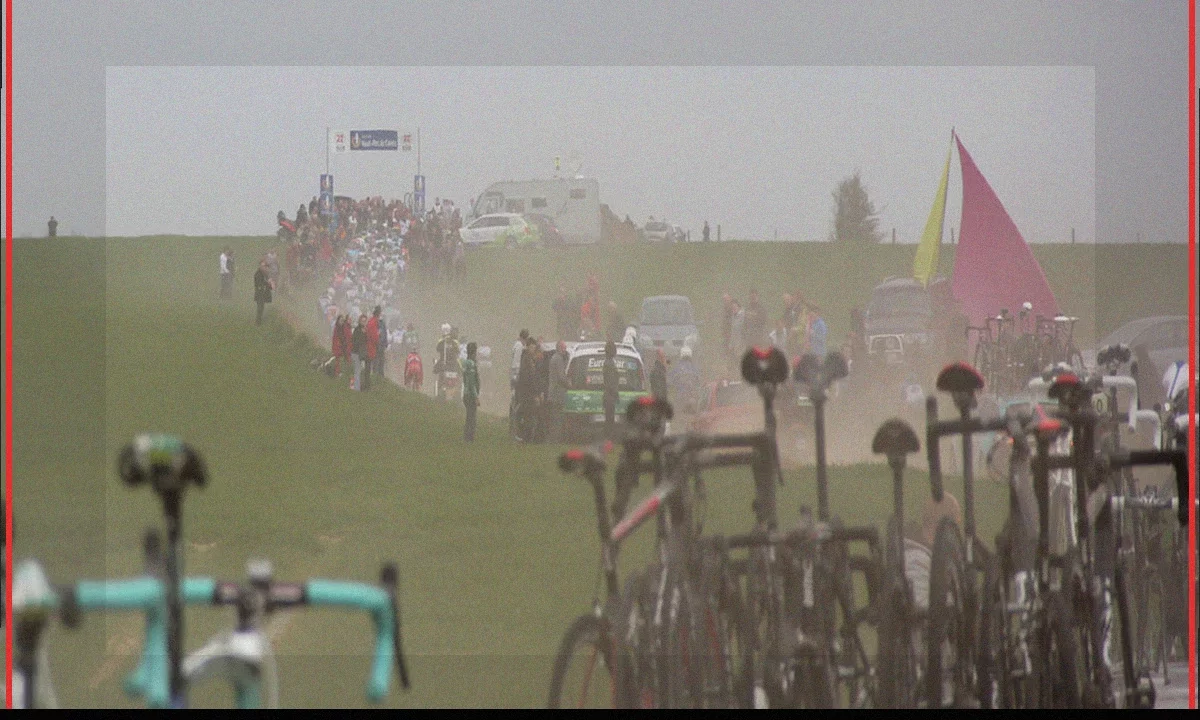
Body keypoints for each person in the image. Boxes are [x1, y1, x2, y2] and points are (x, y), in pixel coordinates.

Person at [548, 340, 570, 443]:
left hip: (554, 392)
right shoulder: (558, 359)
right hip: (557, 393)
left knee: (555, 417)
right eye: (563, 348)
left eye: (565, 348)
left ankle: (554, 438)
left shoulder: (554, 358)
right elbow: (561, 377)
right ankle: (556, 439)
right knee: (557, 418)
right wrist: (569, 385)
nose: (565, 350)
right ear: (559, 348)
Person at [668, 345, 701, 413]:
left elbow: (670, 382)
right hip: (693, 396)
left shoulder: (677, 368)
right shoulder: (694, 368)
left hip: (680, 396)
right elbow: (698, 381)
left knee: (678, 414)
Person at [462, 342, 481, 442]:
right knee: (472, 418)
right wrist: (476, 396)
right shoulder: (471, 364)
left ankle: (467, 437)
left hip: (465, 393)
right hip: (470, 395)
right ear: (474, 352)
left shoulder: (465, 362)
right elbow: (472, 382)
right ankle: (469, 438)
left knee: (469, 416)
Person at [603, 341, 619, 439]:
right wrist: (615, 393)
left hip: (609, 395)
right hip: (610, 395)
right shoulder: (609, 363)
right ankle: (608, 439)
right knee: (609, 420)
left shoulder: (608, 362)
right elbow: (610, 381)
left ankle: (608, 439)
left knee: (609, 419)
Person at [351, 315, 369, 391]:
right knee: (357, 370)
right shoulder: (357, 330)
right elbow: (355, 341)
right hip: (356, 352)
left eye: (365, 321)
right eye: (362, 321)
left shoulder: (366, 330)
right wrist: (363, 334)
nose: (364, 322)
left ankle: (359, 386)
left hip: (362, 353)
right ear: (359, 321)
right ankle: (356, 388)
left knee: (361, 370)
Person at [253, 260, 272, 325]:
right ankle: (258, 322)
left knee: (261, 307)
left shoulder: (265, 274)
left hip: (263, 293)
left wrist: (269, 284)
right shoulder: (258, 274)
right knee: (260, 308)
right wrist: (267, 283)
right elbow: (259, 284)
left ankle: (259, 321)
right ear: (261, 267)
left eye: (266, 267)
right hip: (260, 293)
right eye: (264, 266)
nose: (266, 268)